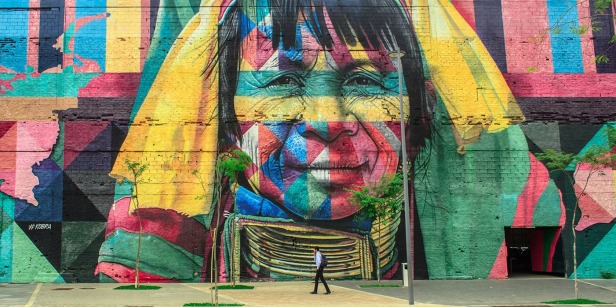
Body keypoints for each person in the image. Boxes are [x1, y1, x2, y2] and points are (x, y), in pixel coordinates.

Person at [96, 0, 561, 282]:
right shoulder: (154, 226)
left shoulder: (517, 199)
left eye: (366, 81)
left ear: (419, 120)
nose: (327, 120)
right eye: (280, 82)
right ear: (221, 118)